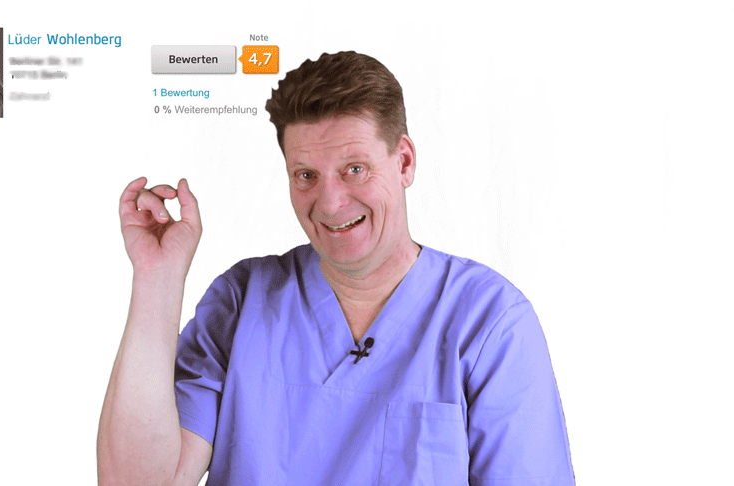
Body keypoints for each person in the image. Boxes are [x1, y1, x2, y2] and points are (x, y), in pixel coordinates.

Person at [97, 51, 575, 486]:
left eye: (355, 169)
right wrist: (157, 278)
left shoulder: (490, 323)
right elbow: (137, 483)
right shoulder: (242, 303)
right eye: (306, 175)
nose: (329, 202)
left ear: (404, 162)